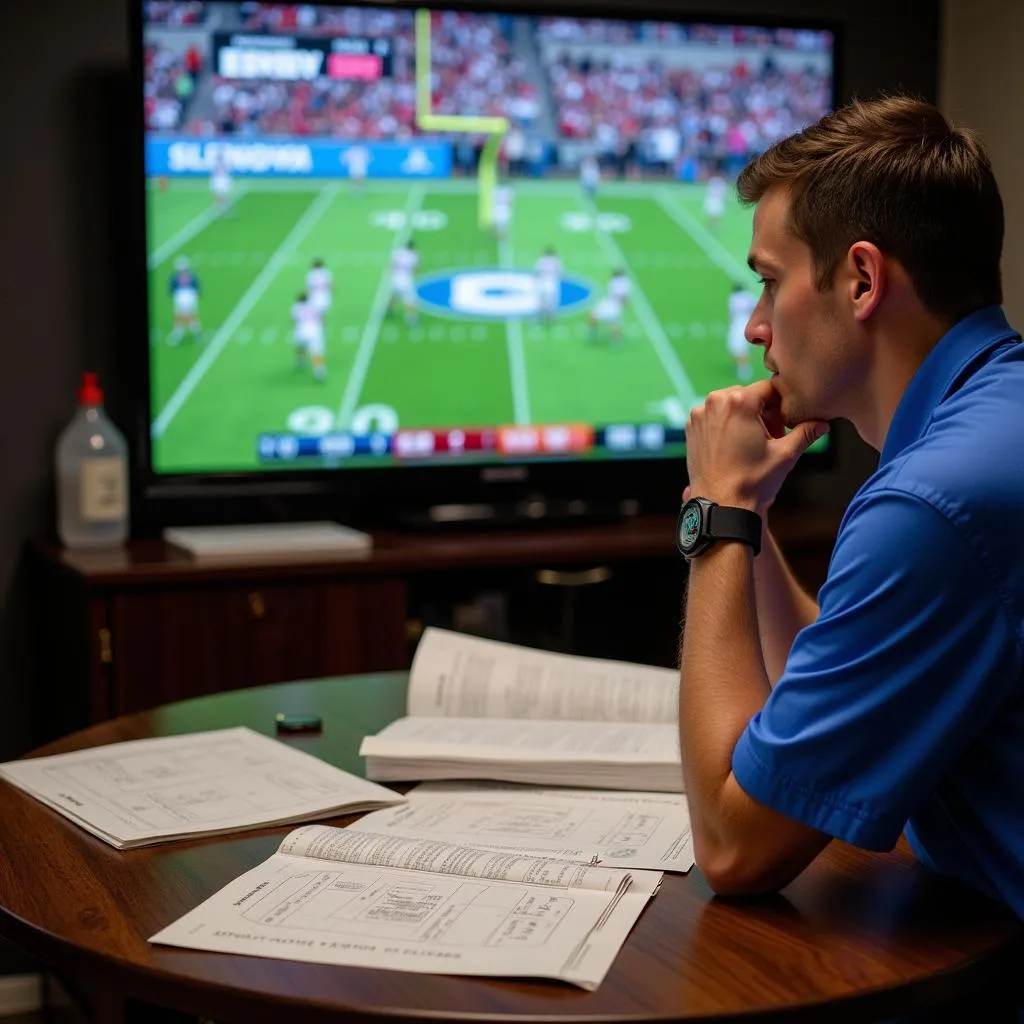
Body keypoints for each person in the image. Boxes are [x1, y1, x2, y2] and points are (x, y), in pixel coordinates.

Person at [677, 96, 1024, 1006]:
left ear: (862, 281)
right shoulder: (988, 424)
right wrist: (747, 518)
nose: (755, 327)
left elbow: (735, 845)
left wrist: (714, 514)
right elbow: (830, 707)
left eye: (767, 280)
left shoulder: (932, 503)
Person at [587, 268, 630, 343]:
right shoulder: (622, 282)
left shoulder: (621, 283)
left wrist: (621, 305)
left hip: (613, 305)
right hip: (609, 303)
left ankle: (615, 339)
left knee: (612, 323)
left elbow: (624, 298)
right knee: (612, 322)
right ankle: (615, 339)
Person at [291, 291, 326, 381]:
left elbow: (294, 321)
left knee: (299, 345)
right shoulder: (315, 306)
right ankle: (319, 372)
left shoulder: (296, 308)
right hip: (314, 332)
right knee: (315, 353)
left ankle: (301, 360)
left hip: (301, 331)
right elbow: (322, 318)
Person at [726, 283, 757, 381]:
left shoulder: (733, 298)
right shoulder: (749, 296)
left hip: (738, 325)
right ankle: (743, 368)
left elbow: (731, 314)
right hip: (748, 324)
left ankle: (744, 369)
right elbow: (755, 309)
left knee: (737, 348)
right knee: (740, 348)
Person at [168, 255, 201, 344]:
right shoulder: (189, 276)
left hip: (186, 296)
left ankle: (179, 333)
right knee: (186, 315)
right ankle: (195, 332)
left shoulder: (179, 276)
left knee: (184, 316)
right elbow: (197, 286)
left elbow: (171, 287)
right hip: (185, 296)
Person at [389, 239, 419, 325]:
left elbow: (391, 264)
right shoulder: (413, 255)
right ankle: (411, 318)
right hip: (406, 280)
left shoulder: (398, 253)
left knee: (394, 295)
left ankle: (389, 310)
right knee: (408, 300)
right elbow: (414, 269)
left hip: (396, 279)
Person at [534, 246, 562, 323]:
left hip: (543, 281)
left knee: (542, 300)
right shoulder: (556, 260)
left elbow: (537, 271)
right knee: (552, 301)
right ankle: (550, 317)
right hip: (552, 281)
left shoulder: (541, 260)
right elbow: (560, 272)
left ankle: (541, 317)